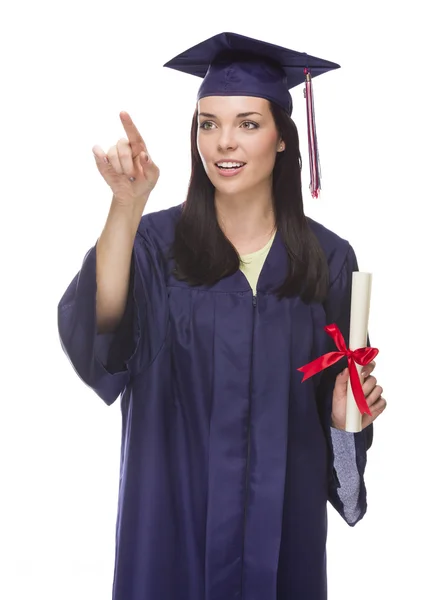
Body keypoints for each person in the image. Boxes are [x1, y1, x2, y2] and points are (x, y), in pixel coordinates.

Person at [57, 32, 387, 600]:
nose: (223, 142)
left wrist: (344, 422)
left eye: (248, 123)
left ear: (283, 136)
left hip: (281, 539)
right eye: (207, 124)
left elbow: (341, 421)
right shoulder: (154, 243)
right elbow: (102, 334)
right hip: (170, 529)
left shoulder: (328, 260)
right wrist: (126, 207)